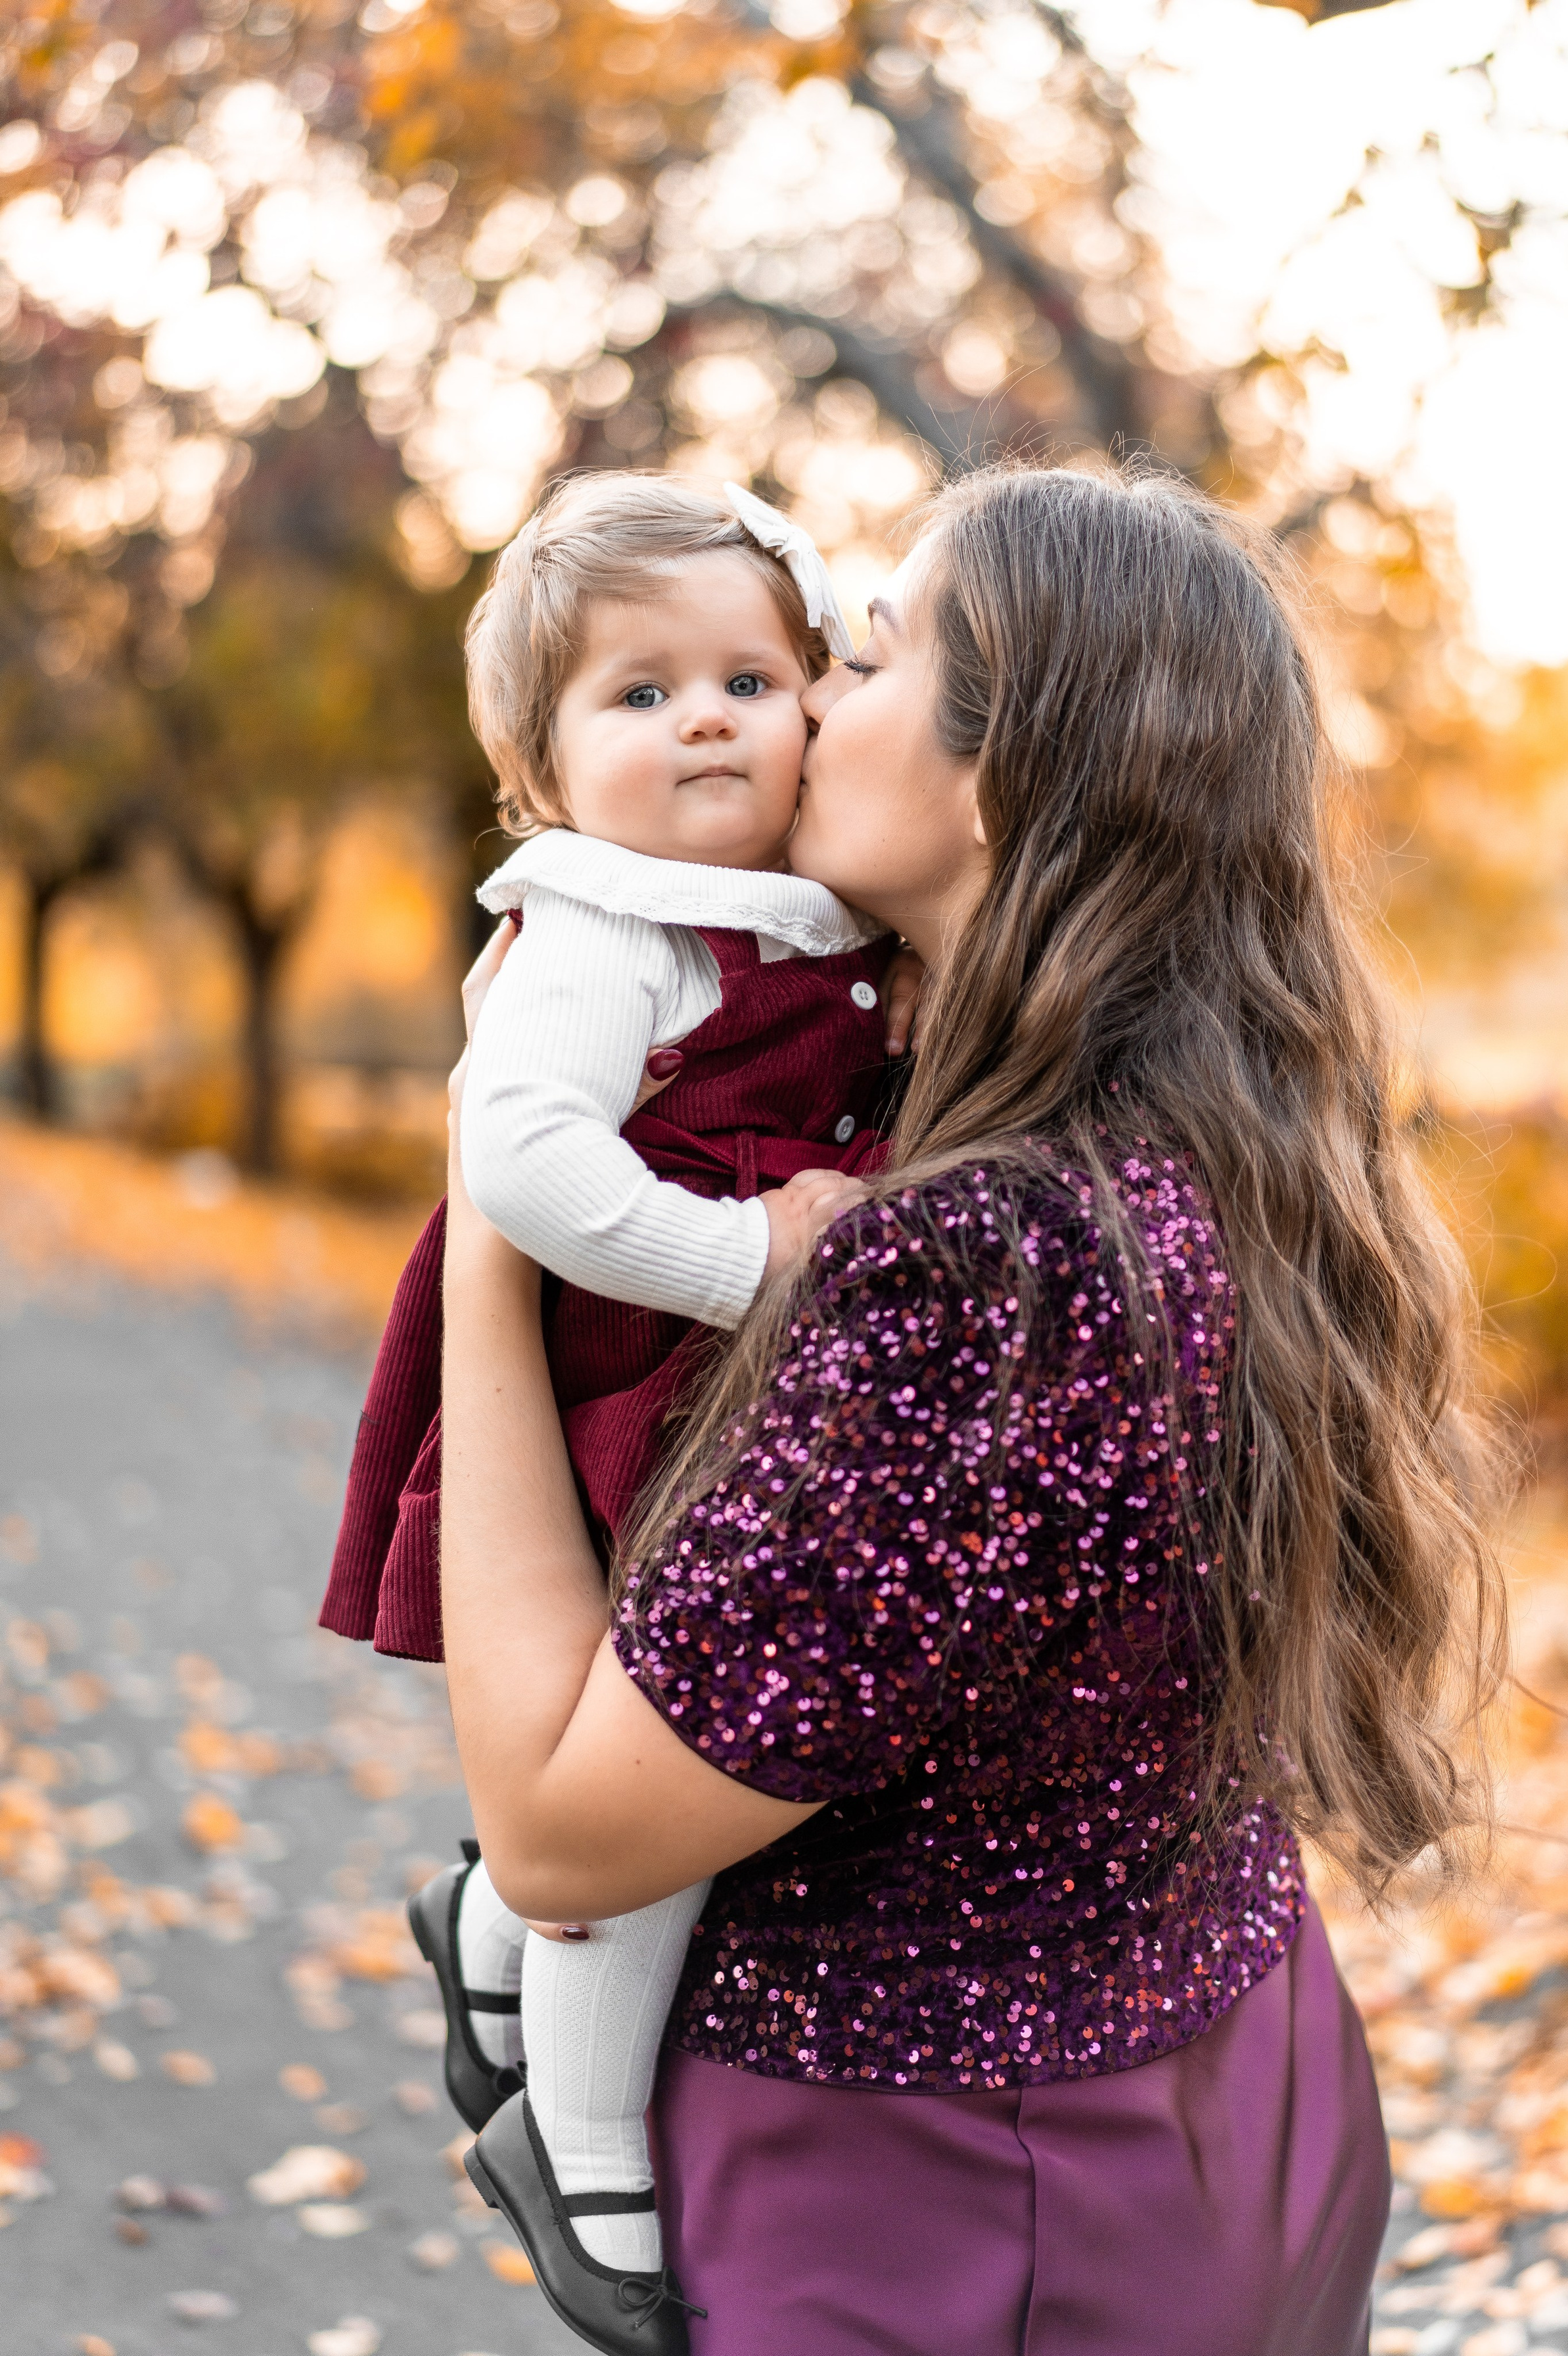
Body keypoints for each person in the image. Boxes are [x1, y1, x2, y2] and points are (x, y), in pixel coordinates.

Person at [439, 460, 1506, 2356]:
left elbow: (559, 1834)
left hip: (953, 2214)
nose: (810, 702)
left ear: (1008, 775)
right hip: (1220, 2095)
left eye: (869, 653)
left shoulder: (982, 1272)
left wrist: (484, 1231)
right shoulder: (1193, 1150)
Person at [318, 472, 919, 2340]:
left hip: (691, 1388)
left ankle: (497, 1920)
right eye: (639, 695)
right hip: (618, 1382)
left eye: (751, 675)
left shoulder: (802, 917)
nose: (709, 720)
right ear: (545, 770)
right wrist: (748, 1265)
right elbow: (520, 1158)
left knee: (680, 1755)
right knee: (639, 1773)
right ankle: (583, 2149)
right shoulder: (604, 927)